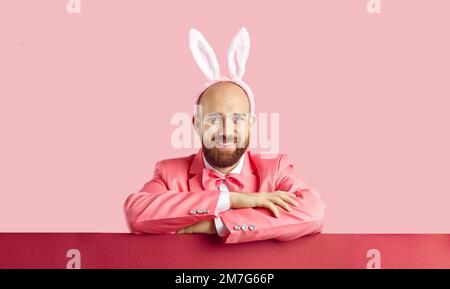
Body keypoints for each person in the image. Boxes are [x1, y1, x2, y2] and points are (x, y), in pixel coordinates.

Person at [123, 27, 326, 244]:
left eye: (237, 119)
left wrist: (218, 225)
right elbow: (136, 213)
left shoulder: (275, 170)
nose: (226, 131)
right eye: (213, 120)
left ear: (251, 125)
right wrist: (231, 200)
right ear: (197, 125)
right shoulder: (169, 173)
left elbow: (313, 211)